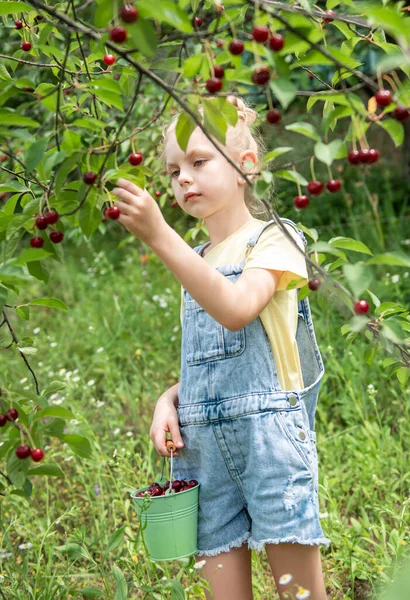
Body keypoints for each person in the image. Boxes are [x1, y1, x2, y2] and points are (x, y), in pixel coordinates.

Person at [113, 95, 330, 600]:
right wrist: (171, 399)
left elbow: (236, 309)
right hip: (204, 449)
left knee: (299, 594)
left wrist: (160, 237)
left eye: (199, 161)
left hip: (270, 445)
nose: (183, 178)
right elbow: (212, 361)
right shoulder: (195, 256)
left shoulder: (275, 239)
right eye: (172, 171)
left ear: (245, 167)